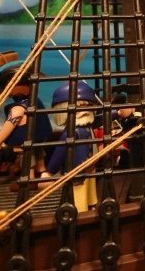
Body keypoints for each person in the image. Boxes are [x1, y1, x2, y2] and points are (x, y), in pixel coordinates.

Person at [0, 60, 53, 181]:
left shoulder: (18, 109)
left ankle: (29, 180)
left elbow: (10, 124)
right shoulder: (35, 101)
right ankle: (43, 173)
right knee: (39, 154)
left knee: (27, 159)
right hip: (39, 138)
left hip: (26, 141)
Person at [41, 81, 99, 212]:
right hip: (77, 170)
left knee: (90, 185)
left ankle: (91, 203)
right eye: (79, 107)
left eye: (88, 106)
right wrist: (50, 171)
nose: (84, 111)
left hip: (90, 166)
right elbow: (60, 152)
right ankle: (80, 210)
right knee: (78, 191)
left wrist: (118, 113)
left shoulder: (87, 125)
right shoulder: (71, 132)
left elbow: (101, 119)